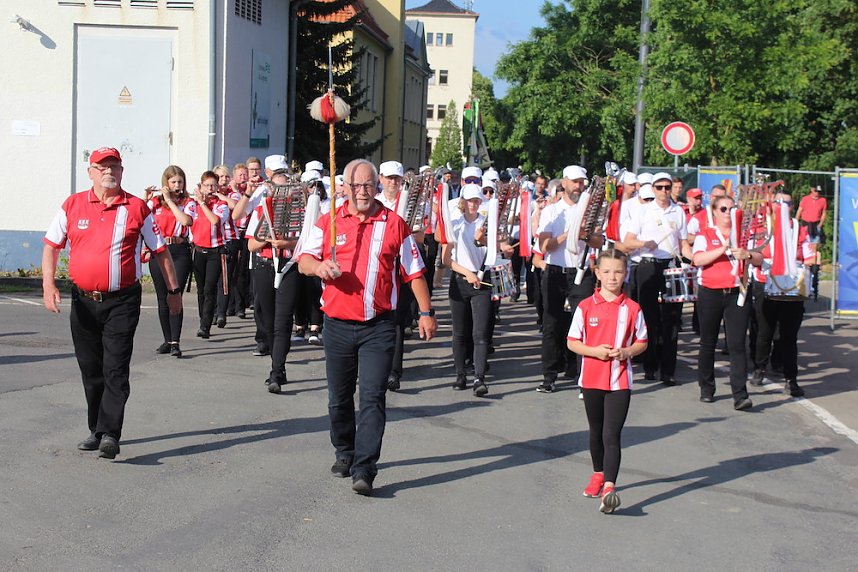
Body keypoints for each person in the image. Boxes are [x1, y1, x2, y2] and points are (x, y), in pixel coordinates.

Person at [298, 159, 437, 496]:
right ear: (344, 187)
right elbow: (303, 261)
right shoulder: (328, 221)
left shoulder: (394, 225)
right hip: (337, 325)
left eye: (367, 185)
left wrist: (426, 311)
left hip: (379, 325)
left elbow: (413, 272)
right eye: (355, 185)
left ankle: (365, 467)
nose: (361, 191)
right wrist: (319, 267)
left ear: (377, 187)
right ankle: (344, 451)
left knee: (373, 397)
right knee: (339, 399)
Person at [42, 147, 182, 459]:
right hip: (83, 302)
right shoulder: (73, 205)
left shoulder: (136, 208)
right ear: (90, 171)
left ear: (122, 171)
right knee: (91, 368)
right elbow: (52, 245)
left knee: (115, 367)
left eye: (115, 167)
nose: (109, 172)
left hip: (121, 301)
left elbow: (160, 251)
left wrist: (174, 291)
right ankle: (96, 428)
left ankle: (110, 433)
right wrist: (48, 284)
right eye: (103, 167)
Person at [567, 249, 647, 514]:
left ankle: (611, 487)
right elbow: (573, 342)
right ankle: (598, 473)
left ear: (626, 274)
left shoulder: (633, 309)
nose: (613, 277)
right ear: (597, 273)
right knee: (595, 431)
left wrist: (626, 352)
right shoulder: (585, 306)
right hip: (591, 378)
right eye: (607, 271)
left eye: (619, 272)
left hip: (620, 381)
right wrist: (594, 351)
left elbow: (642, 341)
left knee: (611, 435)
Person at [536, 165, 603, 394]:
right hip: (555, 271)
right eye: (575, 181)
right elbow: (544, 246)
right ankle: (549, 376)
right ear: (564, 183)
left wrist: (586, 233)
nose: (579, 186)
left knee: (582, 326)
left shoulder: (588, 211)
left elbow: (598, 242)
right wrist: (568, 234)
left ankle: (584, 377)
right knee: (552, 324)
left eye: (582, 182)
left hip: (581, 271)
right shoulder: (552, 211)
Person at [692, 194, 762, 410]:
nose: (727, 213)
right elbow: (697, 259)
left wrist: (747, 254)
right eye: (723, 209)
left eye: (732, 209)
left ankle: (740, 395)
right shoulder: (706, 235)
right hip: (710, 293)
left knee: (737, 344)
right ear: (714, 211)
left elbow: (761, 258)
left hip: (736, 292)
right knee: (708, 342)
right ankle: (706, 387)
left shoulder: (745, 235)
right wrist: (722, 249)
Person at [621, 172, 692, 385]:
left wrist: (695, 258)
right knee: (649, 319)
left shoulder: (678, 211)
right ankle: (650, 365)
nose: (663, 191)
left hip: (670, 266)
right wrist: (644, 243)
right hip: (647, 266)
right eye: (659, 187)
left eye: (667, 187)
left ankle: (668, 370)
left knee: (671, 320)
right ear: (653, 189)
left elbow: (684, 243)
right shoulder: (643, 211)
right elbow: (628, 241)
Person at [246, 168, 300, 394]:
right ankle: (277, 364)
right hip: (264, 266)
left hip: (288, 267)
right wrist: (268, 240)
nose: (280, 194)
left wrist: (286, 244)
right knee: (267, 320)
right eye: (276, 189)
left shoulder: (299, 210)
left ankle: (277, 370)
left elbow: (307, 241)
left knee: (283, 321)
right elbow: (251, 245)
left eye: (283, 189)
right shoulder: (261, 211)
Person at [750, 190, 806, 397]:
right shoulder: (762, 228)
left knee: (788, 337)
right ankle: (760, 369)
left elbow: (808, 255)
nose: (783, 206)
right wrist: (758, 258)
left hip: (791, 289)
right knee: (764, 332)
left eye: (787, 203)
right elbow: (754, 255)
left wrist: (806, 266)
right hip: (766, 285)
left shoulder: (799, 228)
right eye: (778, 203)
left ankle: (791, 379)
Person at [443, 183, 492, 396]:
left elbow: (497, 251)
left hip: (481, 282)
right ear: (463, 202)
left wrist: (485, 240)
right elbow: (446, 259)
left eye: (477, 200)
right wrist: (467, 273)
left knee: (480, 333)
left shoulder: (486, 224)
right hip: (460, 280)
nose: (473, 204)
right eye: (470, 200)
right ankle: (460, 374)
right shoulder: (454, 224)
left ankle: (479, 378)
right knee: (459, 332)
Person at [144, 165, 194, 358]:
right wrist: (146, 199)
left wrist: (170, 202)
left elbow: (186, 221)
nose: (176, 185)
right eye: (173, 181)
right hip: (160, 249)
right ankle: (167, 339)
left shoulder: (187, 202)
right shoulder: (155, 203)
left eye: (180, 181)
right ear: (165, 183)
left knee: (175, 293)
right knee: (161, 297)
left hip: (179, 250)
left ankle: (176, 341)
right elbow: (139, 218)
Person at [189, 171, 230, 339]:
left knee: (209, 288)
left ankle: (206, 326)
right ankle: (202, 319)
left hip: (215, 251)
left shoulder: (221, 204)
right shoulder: (193, 204)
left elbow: (215, 221)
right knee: (200, 289)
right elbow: (186, 219)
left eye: (213, 185)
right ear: (201, 186)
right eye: (207, 185)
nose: (210, 188)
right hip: (199, 251)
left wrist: (203, 204)